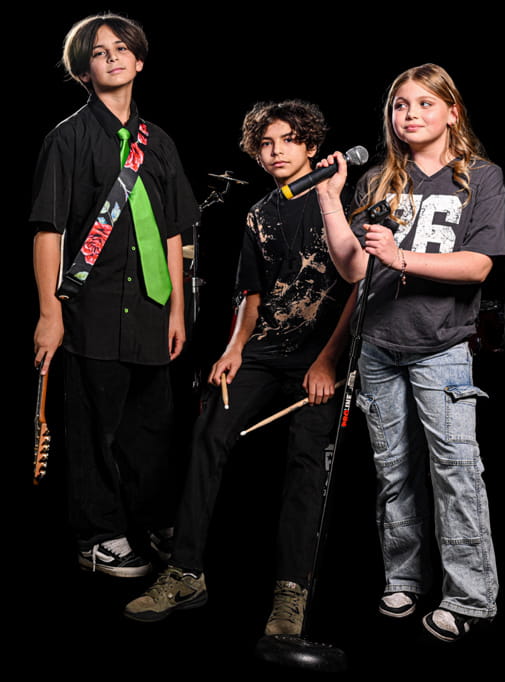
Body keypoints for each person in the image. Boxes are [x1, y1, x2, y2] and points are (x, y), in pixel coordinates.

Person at [124, 100, 355, 640]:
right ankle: (185, 572)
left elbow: (358, 286)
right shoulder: (260, 213)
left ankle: (291, 591)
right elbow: (252, 296)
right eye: (266, 144)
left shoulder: (341, 199)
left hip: (319, 358)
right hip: (264, 351)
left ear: (311, 145)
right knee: (209, 431)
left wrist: (327, 361)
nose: (275, 152)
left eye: (287, 141)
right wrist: (232, 350)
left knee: (305, 462)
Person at [315, 64, 505, 642]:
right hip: (378, 347)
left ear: (452, 111)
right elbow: (352, 267)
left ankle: (470, 597)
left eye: (425, 103)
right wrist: (330, 200)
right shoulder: (377, 180)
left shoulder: (480, 177)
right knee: (393, 470)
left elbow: (478, 266)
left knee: (455, 472)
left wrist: (402, 257)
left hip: (441, 347)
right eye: (400, 105)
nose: (411, 114)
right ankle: (402, 578)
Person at [31, 13, 199, 577]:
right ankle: (99, 536)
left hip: (152, 310)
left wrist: (178, 308)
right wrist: (49, 312)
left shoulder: (162, 144)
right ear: (84, 70)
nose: (113, 58)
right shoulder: (68, 138)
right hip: (91, 310)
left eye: (122, 49)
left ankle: (153, 521)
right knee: (93, 429)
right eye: (99, 53)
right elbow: (48, 231)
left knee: (152, 427)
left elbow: (176, 231)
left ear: (140, 61)